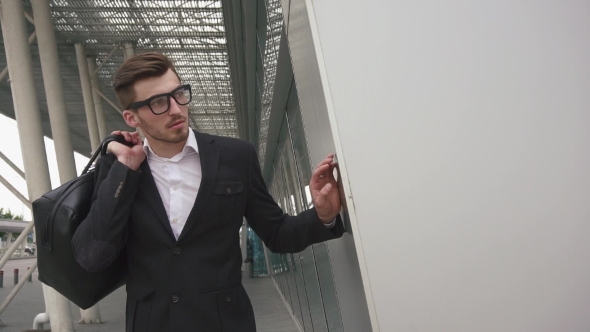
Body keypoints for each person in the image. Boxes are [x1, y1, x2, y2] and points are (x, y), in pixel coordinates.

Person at [72, 52, 345, 332]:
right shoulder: (118, 169)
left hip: (224, 323)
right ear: (131, 117)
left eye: (178, 94)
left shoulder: (236, 156)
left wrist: (322, 215)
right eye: (158, 103)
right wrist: (126, 169)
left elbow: (277, 234)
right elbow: (92, 256)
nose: (176, 109)